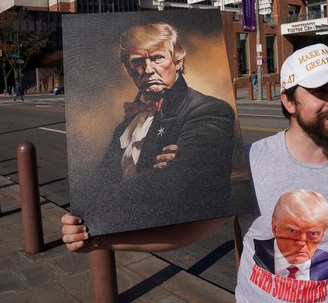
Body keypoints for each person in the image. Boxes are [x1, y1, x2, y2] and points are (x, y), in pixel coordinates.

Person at [62, 43, 328, 303]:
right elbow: (187, 230)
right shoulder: (249, 163)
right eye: (321, 92)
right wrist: (97, 238)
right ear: (288, 101)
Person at [72, 22, 237, 235]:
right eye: (138, 61)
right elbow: (104, 176)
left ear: (178, 61)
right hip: (122, 229)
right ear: (127, 68)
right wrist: (80, 216)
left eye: (158, 58)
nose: (148, 69)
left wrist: (99, 205)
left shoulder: (210, 109)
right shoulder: (126, 124)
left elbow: (179, 184)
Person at [253, 189, 328, 281]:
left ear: (322, 234)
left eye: (313, 233)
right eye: (293, 231)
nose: (301, 242)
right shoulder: (256, 249)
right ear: (274, 227)